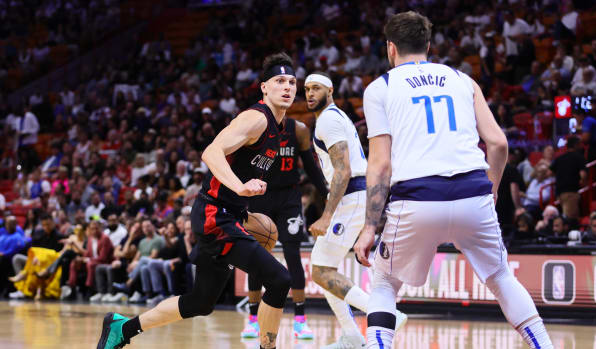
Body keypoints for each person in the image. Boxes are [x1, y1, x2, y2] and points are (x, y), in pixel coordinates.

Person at [355, 12, 553, 349]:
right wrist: (490, 190)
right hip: (472, 192)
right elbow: (499, 144)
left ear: (390, 49)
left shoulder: (381, 88)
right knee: (502, 277)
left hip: (417, 198)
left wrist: (370, 226)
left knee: (385, 282)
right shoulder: (462, 79)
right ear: (429, 46)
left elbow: (381, 164)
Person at [97, 53, 296, 349]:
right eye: (279, 81)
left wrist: (244, 199)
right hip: (217, 216)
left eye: (292, 82)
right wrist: (240, 188)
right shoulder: (256, 118)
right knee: (279, 279)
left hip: (227, 215)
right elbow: (211, 152)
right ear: (263, 88)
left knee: (200, 302)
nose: (287, 87)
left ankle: (122, 328)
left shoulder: (279, 129)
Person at [305, 72, 406, 348]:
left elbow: (343, 169)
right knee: (323, 268)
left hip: (350, 195)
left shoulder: (328, 119)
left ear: (330, 90)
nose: (310, 93)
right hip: (354, 194)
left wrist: (326, 215)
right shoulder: (334, 117)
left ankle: (386, 315)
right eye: (307, 89)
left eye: (316, 88)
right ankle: (351, 335)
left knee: (321, 271)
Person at [244, 97, 328, 338]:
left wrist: (327, 194)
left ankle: (300, 320)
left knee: (292, 254)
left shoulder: (298, 129)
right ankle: (252, 318)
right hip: (261, 195)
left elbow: (311, 168)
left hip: (289, 198)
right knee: (257, 255)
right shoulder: (256, 129)